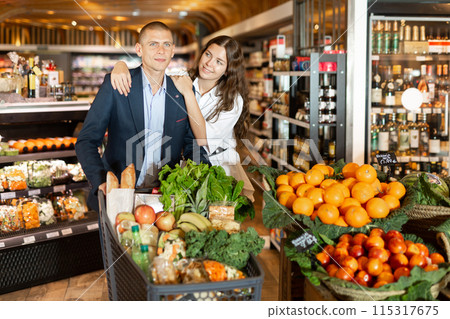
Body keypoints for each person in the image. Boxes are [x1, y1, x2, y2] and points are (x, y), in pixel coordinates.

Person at [75, 21, 209, 211]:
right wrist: (100, 181)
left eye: (167, 44)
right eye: (153, 44)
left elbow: (192, 145)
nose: (161, 50)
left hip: (163, 198)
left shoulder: (182, 92)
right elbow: (86, 140)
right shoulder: (117, 84)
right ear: (139, 49)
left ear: (173, 51)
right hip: (118, 194)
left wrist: (208, 178)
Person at [111, 35, 254, 200]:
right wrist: (120, 65)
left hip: (220, 170)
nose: (209, 63)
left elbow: (203, 139)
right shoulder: (181, 79)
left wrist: (188, 93)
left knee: (217, 220)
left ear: (228, 69)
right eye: (208, 54)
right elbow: (148, 76)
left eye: (219, 62)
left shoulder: (233, 100)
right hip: (186, 165)